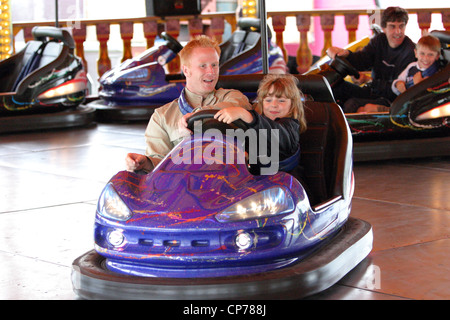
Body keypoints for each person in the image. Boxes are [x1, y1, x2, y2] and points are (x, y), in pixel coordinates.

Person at [125, 35, 252, 172]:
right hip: (185, 184)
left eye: (214, 65)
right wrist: (145, 163)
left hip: (230, 181)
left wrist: (198, 115)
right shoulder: (161, 117)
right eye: (203, 66)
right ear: (186, 70)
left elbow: (240, 106)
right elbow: (159, 164)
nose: (211, 72)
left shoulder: (232, 97)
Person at [195, 74, 307, 174]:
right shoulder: (253, 126)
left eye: (281, 100)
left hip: (283, 185)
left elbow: (275, 134)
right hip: (253, 185)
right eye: (268, 100)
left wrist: (246, 115)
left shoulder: (291, 127)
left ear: (293, 105)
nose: (273, 105)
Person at [326, 6, 416, 113]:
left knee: (351, 104)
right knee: (334, 88)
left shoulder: (410, 51)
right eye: (392, 27)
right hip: (373, 91)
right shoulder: (379, 41)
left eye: (401, 26)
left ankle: (343, 128)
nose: (398, 31)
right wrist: (347, 54)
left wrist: (369, 80)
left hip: (391, 99)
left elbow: (395, 90)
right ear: (384, 28)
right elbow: (362, 60)